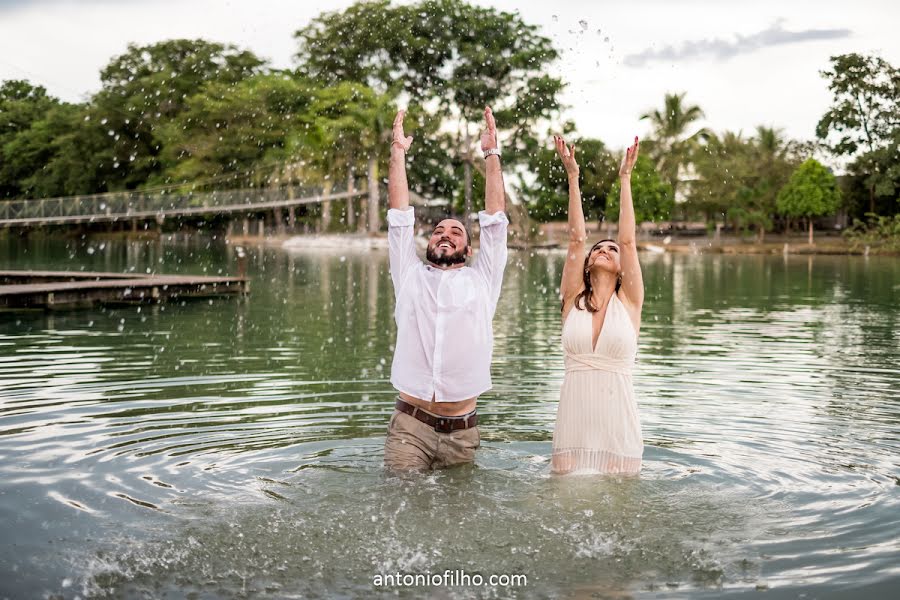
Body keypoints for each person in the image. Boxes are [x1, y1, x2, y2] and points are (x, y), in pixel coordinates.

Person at [383, 106, 508, 471]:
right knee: (399, 510)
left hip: (462, 434)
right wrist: (397, 153)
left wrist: (491, 154)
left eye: (456, 232)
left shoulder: (482, 281)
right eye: (439, 230)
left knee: (457, 520)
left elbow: (496, 222)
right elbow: (399, 217)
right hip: (410, 427)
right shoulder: (409, 275)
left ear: (468, 250)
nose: (445, 235)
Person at [550, 134, 644, 475]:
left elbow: (628, 240)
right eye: (598, 248)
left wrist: (625, 178)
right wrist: (572, 177)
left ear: (622, 267)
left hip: (619, 425)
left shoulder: (630, 304)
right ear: (588, 263)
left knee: (618, 512)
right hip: (573, 423)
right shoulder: (572, 299)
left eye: (612, 250)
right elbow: (576, 238)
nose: (605, 249)